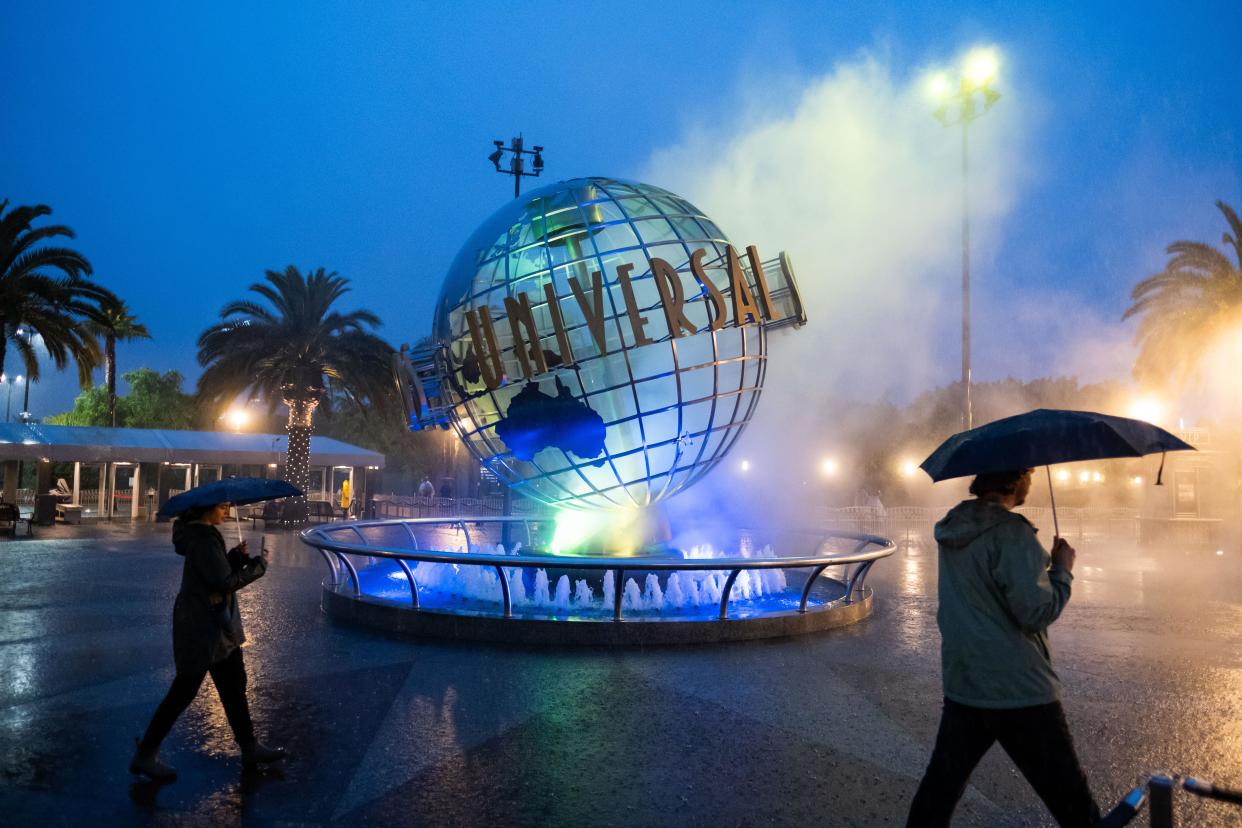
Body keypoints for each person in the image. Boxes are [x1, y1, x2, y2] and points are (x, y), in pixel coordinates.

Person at [906, 468, 1097, 827]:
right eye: (1027, 474)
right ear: (1014, 481)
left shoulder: (953, 527)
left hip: (965, 680)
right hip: (1019, 687)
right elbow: (1036, 611)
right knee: (1073, 803)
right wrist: (1062, 570)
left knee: (938, 794)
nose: (1030, 481)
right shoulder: (1012, 533)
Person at [130, 500, 286, 782]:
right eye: (222, 506)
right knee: (184, 691)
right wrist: (257, 567)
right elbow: (222, 582)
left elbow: (215, 572)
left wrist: (234, 559)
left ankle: (249, 746)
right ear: (205, 509)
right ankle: (146, 754)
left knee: (233, 685)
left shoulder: (203, 537)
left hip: (213, 625)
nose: (226, 510)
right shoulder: (202, 539)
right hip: (204, 627)